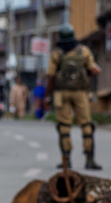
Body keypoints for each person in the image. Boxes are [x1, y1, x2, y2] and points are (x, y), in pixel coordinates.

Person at [44, 23, 102, 170]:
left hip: (61, 93)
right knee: (86, 125)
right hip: (80, 93)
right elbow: (94, 70)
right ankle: (89, 159)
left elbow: (50, 76)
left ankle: (66, 160)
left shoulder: (57, 53)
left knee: (64, 126)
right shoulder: (84, 51)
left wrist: (46, 96)